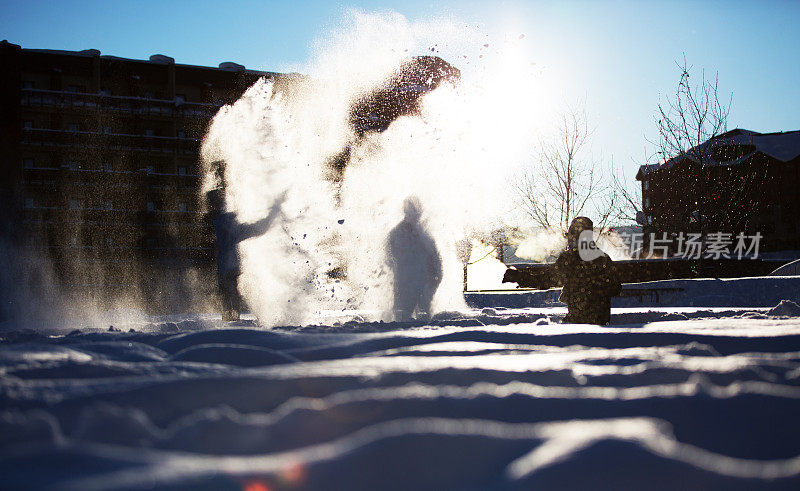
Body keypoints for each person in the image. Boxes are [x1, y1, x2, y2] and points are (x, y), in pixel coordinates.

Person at [207, 187, 284, 321]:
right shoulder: (228, 225)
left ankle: (230, 318)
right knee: (230, 292)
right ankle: (232, 318)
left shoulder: (219, 223)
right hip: (229, 267)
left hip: (225, 267)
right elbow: (259, 229)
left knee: (227, 293)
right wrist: (274, 211)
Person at [554, 217, 621, 325]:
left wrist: (520, 277)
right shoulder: (603, 257)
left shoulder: (569, 257)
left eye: (570, 234)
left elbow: (550, 278)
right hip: (601, 321)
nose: (568, 239)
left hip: (577, 321)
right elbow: (616, 288)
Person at [387, 197, 442, 321]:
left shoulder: (422, 233)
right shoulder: (399, 233)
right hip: (406, 282)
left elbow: (434, 257)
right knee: (405, 315)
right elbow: (390, 257)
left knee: (422, 314)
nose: (418, 213)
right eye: (414, 210)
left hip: (420, 281)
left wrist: (436, 274)